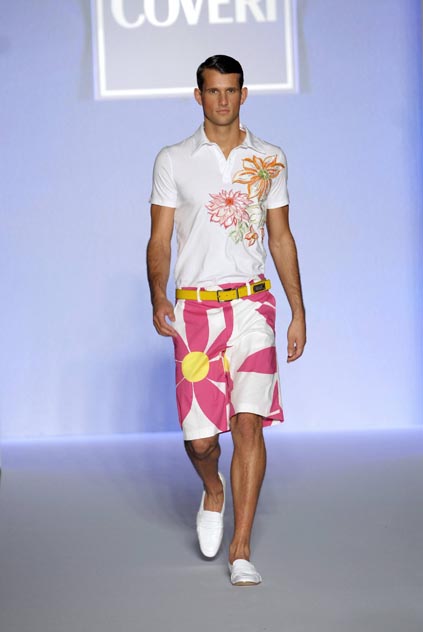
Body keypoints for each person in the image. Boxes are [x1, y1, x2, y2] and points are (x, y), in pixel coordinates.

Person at [147, 54, 306, 586]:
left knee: (248, 422)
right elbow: (160, 239)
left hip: (252, 306)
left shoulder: (269, 159)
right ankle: (213, 489)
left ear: (244, 94)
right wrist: (157, 295)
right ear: (198, 95)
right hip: (194, 311)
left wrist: (298, 310)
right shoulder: (173, 159)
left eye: (231, 90)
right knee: (200, 442)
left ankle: (241, 549)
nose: (222, 99)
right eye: (213, 90)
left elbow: (280, 237)